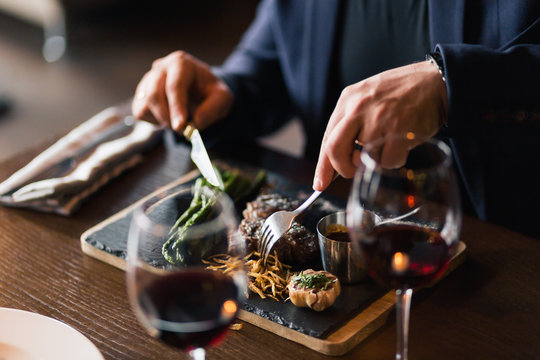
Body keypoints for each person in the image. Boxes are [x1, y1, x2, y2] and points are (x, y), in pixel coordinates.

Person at [132, 0, 540, 238]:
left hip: (501, 260)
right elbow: (265, 67)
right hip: (342, 248)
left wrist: (449, 87)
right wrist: (221, 94)